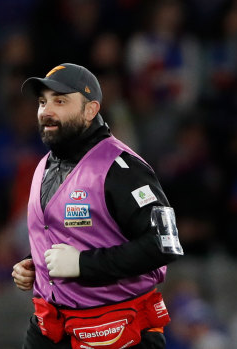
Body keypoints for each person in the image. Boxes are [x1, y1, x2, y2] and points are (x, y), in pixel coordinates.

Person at [11, 63, 183, 349]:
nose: (46, 111)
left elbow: (164, 243)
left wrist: (82, 264)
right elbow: (74, 234)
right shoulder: (44, 165)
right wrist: (35, 262)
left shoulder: (122, 168)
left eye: (60, 101)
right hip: (50, 328)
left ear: (90, 110)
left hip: (116, 331)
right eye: (42, 102)